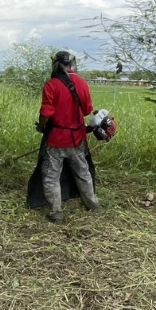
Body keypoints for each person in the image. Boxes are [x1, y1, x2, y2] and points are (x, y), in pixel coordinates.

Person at [37, 50, 101, 223]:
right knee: (82, 172)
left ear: (55, 64)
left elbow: (46, 113)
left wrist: (41, 127)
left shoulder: (51, 84)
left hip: (56, 140)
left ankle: (56, 213)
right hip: (78, 138)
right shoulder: (81, 83)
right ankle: (92, 204)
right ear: (72, 64)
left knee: (51, 176)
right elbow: (87, 110)